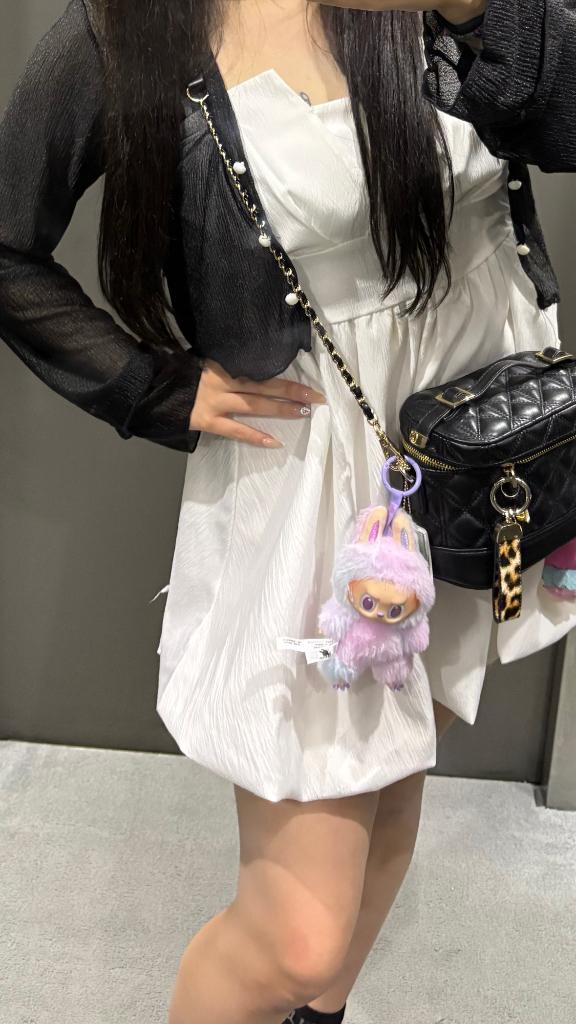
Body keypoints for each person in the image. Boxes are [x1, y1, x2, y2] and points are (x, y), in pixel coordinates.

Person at [1, 2, 575, 1022]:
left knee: (395, 776)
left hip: (470, 454)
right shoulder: (123, 28)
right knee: (299, 940)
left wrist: (475, 8)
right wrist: (149, 386)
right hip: (319, 473)